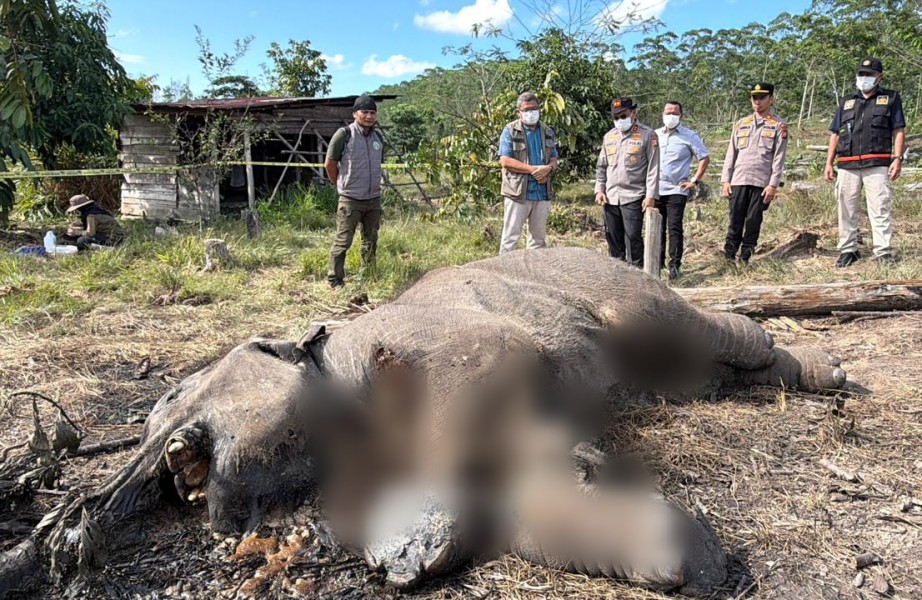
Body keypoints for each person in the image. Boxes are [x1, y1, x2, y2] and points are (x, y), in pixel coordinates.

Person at [823, 58, 906, 267]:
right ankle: (848, 249)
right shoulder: (846, 101)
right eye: (861, 74)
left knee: (879, 207)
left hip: (877, 162)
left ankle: (883, 251)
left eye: (869, 74)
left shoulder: (891, 98)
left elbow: (898, 130)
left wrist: (897, 158)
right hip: (847, 163)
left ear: (879, 77)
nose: (864, 78)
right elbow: (835, 134)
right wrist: (828, 163)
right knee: (846, 208)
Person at [720, 83, 788, 264]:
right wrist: (726, 181)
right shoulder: (741, 124)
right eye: (754, 98)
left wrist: (773, 184)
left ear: (771, 99)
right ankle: (728, 255)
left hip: (761, 182)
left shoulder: (778, 126)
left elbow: (779, 158)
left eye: (762, 97)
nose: (757, 101)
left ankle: (745, 256)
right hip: (738, 179)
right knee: (734, 219)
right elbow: (731, 153)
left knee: (753, 221)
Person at [325, 95, 384, 288]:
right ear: (355, 114)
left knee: (371, 239)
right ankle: (335, 279)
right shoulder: (344, 134)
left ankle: (368, 273)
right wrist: (340, 186)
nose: (368, 116)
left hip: (373, 199)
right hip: (350, 199)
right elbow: (330, 164)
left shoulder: (378, 137)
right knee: (343, 241)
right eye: (364, 112)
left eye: (372, 112)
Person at [594, 97, 659, 267]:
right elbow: (602, 166)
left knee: (633, 239)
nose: (619, 121)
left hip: (633, 196)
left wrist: (651, 195)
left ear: (633, 113)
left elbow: (653, 168)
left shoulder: (647, 135)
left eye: (623, 116)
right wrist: (599, 189)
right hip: (611, 197)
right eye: (616, 118)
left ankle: (637, 277)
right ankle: (617, 277)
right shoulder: (609, 137)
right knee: (613, 239)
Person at [497, 91, 559, 254]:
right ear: (519, 112)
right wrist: (534, 170)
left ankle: (533, 276)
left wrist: (548, 169)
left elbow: (554, 159)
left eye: (534, 108)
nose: (531, 113)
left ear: (539, 109)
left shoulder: (548, 131)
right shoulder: (510, 130)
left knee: (538, 241)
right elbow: (505, 160)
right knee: (510, 239)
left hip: (542, 192)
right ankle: (504, 274)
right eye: (526, 110)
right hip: (518, 193)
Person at [655, 101, 710, 280]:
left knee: (674, 227)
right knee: (657, 227)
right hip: (656, 190)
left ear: (681, 116)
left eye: (675, 113)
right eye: (668, 112)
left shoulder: (689, 136)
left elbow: (704, 157)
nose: (671, 116)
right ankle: (657, 263)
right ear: (662, 114)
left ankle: (675, 265)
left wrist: (694, 180)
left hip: (676, 190)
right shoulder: (655, 135)